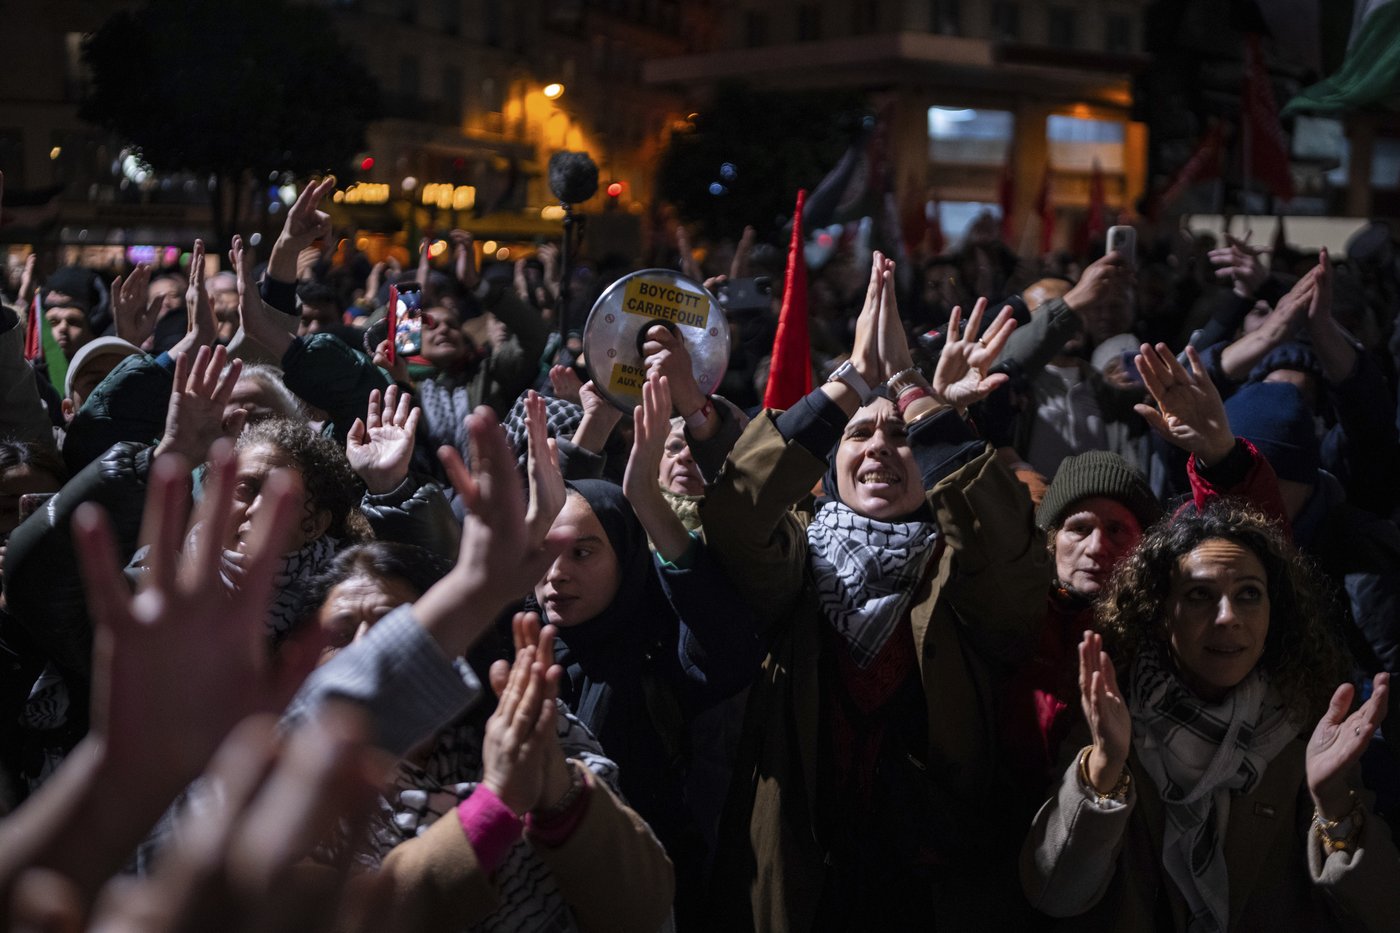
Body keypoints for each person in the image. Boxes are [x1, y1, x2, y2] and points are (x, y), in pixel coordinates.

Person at [702, 252, 1049, 930]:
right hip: (807, 889)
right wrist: (853, 379)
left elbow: (1007, 547)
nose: (880, 448)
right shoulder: (798, 559)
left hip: (934, 893)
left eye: (902, 436)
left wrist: (913, 387)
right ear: (830, 464)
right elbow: (736, 515)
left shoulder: (962, 566)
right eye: (858, 433)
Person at [1022, 502, 1399, 931]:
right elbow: (1054, 894)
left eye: (1248, 594)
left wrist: (1333, 802)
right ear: (1161, 612)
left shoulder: (1303, 728)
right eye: (1200, 595)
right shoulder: (1111, 713)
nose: (1228, 618)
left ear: (1273, 613)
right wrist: (1104, 768)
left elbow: (1383, 914)